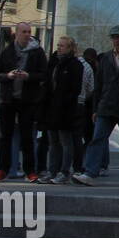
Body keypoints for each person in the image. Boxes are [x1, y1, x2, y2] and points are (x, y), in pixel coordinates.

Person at [75, 26, 119, 186]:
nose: (116, 40)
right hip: (106, 106)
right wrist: (95, 109)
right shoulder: (106, 58)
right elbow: (98, 85)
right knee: (98, 139)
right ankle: (90, 172)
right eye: (114, 37)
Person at [0, 22, 48, 182]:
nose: (27, 34)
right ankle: (3, 169)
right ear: (16, 33)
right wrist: (7, 76)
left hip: (28, 100)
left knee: (27, 136)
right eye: (24, 31)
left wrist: (28, 76)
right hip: (9, 99)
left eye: (29, 31)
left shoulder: (37, 52)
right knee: (6, 136)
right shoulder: (7, 51)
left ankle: (30, 170)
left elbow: (44, 74)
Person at [37, 37, 84, 184]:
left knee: (65, 141)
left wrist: (65, 102)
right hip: (51, 108)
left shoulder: (75, 65)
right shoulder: (54, 63)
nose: (59, 48)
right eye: (58, 45)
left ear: (70, 48)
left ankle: (64, 171)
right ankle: (52, 171)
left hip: (65, 109)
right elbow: (48, 84)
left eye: (62, 46)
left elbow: (75, 89)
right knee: (53, 141)